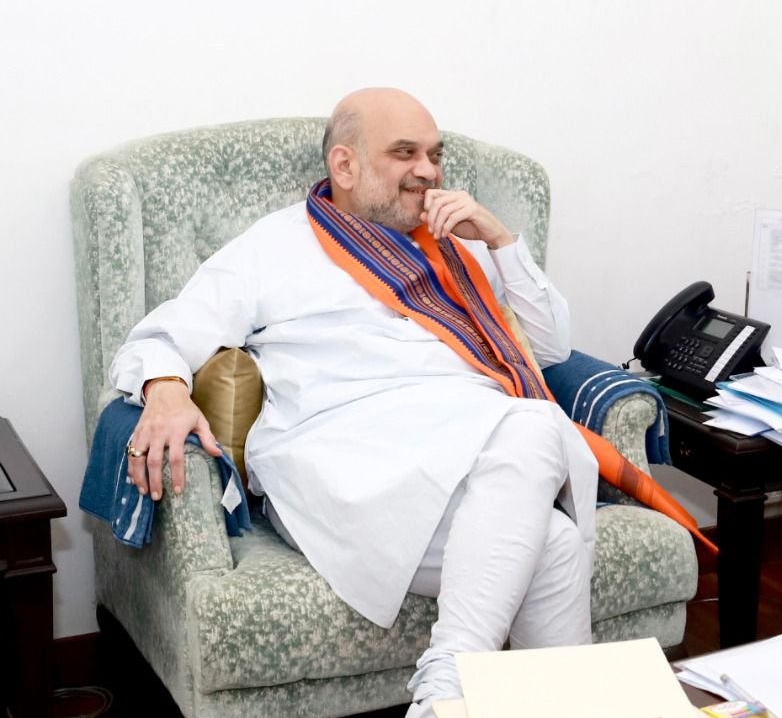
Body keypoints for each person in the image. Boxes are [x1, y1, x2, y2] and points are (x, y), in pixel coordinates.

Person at [111, 88, 652, 717]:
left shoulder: (456, 244)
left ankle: (456, 693)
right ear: (344, 167)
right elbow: (161, 335)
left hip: (468, 450)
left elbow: (552, 349)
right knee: (535, 429)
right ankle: (452, 680)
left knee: (554, 540)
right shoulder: (275, 247)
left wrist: (499, 238)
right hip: (342, 461)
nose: (427, 170)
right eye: (404, 153)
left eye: (433, 154)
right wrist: (167, 390)